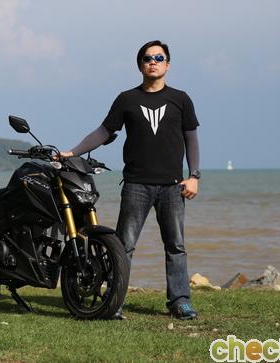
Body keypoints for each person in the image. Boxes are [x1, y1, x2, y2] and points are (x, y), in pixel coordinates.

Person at [60, 40, 201, 320]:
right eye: (148, 58)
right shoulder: (127, 99)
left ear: (167, 64)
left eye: (159, 58)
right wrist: (73, 152)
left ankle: (180, 301)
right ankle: (115, 302)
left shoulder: (181, 99)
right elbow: (103, 131)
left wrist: (194, 176)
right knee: (123, 246)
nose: (153, 62)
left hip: (172, 186)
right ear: (140, 65)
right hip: (136, 185)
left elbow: (191, 139)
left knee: (176, 245)